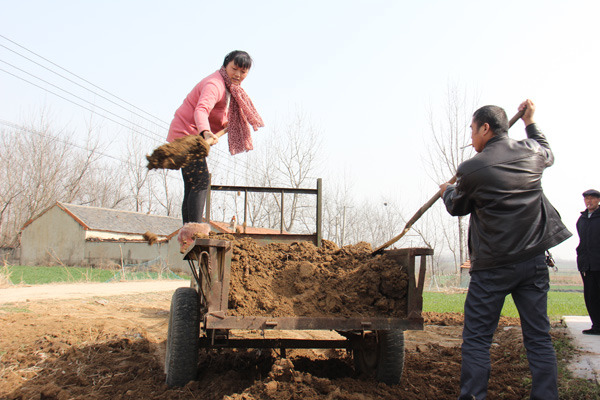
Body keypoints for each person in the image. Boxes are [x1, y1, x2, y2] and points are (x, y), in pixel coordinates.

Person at [439, 99, 572, 400]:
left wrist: (447, 190)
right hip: (533, 262)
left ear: (486, 128)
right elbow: (546, 149)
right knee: (539, 339)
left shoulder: (472, 169)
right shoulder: (531, 153)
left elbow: (458, 207)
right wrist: (530, 121)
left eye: (472, 131)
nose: (471, 138)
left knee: (476, 341)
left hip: (492, 269)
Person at [166, 50, 264, 223]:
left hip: (188, 135)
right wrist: (206, 132)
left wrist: (226, 123)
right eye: (234, 69)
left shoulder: (230, 88)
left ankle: (188, 231)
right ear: (225, 65)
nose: (238, 75)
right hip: (186, 136)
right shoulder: (215, 84)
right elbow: (201, 110)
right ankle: (193, 230)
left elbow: (219, 112)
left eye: (243, 72)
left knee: (192, 185)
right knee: (201, 182)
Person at [576, 188, 600, 335]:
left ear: (598, 200)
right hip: (587, 265)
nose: (589, 201)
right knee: (591, 296)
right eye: (587, 199)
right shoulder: (582, 219)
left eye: (592, 198)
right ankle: (596, 326)